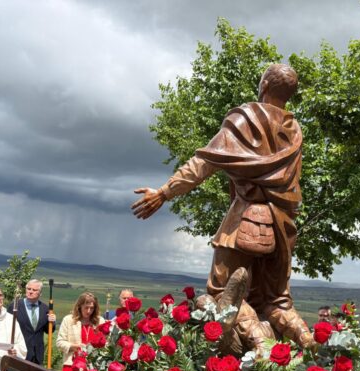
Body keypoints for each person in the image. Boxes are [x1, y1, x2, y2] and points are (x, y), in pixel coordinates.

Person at [132, 63, 312, 351]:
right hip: (283, 226)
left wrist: (165, 193)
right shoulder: (294, 130)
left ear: (264, 84)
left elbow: (203, 164)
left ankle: (260, 344)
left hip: (244, 221)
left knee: (221, 293)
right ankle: (304, 336)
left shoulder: (246, 119)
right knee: (277, 299)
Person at [7, 279, 56, 371]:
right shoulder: (15, 306)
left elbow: (48, 331)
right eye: (28, 289)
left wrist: (52, 322)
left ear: (40, 292)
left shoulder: (45, 308)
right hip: (18, 352)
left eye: (34, 290)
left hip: (36, 353)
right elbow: (6, 327)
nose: (30, 292)